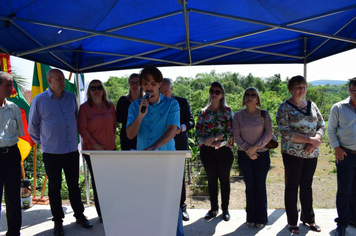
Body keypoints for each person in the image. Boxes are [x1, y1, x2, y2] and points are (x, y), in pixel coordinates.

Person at [28, 69, 92, 236]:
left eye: (63, 79)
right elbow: (32, 127)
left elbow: (76, 118)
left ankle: (79, 215)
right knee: (54, 188)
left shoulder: (70, 97)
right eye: (58, 79)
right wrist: (45, 143)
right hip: (52, 153)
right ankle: (58, 221)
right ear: (49, 81)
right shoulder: (39, 100)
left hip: (71, 150)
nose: (62, 82)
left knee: (73, 186)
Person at [126, 66, 184, 236]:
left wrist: (154, 147)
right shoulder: (135, 106)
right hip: (143, 162)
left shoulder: (172, 104)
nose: (149, 87)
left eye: (152, 83)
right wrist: (140, 116)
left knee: (171, 202)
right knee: (146, 201)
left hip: (167, 159)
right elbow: (130, 135)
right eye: (145, 83)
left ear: (159, 84)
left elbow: (173, 129)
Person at [276, 75, 325, 234]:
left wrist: (316, 139)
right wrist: (309, 140)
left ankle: (309, 219)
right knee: (292, 186)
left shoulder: (312, 105)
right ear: (290, 89)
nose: (301, 89)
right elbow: (285, 132)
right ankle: (292, 222)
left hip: (312, 153)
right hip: (292, 154)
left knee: (307, 186)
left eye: (303, 86)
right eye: (297, 86)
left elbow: (321, 124)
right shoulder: (284, 107)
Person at [233, 87, 272, 228]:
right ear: (244, 98)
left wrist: (255, 148)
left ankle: (261, 218)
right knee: (249, 186)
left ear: (257, 98)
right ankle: (250, 217)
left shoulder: (264, 114)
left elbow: (268, 134)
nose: (250, 97)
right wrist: (248, 150)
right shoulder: (238, 115)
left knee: (260, 186)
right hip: (244, 156)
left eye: (253, 95)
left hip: (262, 154)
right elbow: (236, 135)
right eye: (247, 95)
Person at [78, 79, 116, 222]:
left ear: (103, 90)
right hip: (93, 152)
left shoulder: (110, 105)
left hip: (110, 149)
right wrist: (95, 145)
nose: (96, 90)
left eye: (99, 87)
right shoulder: (84, 108)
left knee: (111, 181)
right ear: (89, 91)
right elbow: (82, 129)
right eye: (93, 88)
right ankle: (102, 214)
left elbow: (113, 127)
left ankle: (112, 209)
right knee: (98, 182)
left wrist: (110, 143)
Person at [195, 81, 234, 221]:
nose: (214, 94)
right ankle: (213, 209)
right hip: (207, 151)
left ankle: (225, 209)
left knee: (224, 180)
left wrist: (217, 139)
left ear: (222, 94)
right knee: (211, 180)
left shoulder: (227, 111)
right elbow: (197, 134)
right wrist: (210, 142)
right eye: (212, 91)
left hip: (224, 151)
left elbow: (232, 131)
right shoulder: (203, 112)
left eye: (218, 92)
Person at [160, 78, 195, 221]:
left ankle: (182, 208)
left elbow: (191, 121)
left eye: (166, 91)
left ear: (172, 89)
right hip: (161, 147)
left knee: (179, 178)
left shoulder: (182, 102)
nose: (163, 94)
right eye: (160, 91)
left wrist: (181, 128)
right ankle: (165, 208)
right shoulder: (156, 104)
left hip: (179, 145)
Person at [327, 77, 356, 236]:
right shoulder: (338, 108)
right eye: (353, 90)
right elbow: (330, 130)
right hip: (346, 155)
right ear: (349, 90)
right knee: (344, 191)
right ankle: (342, 224)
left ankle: (353, 218)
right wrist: (336, 148)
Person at [0, 72, 24, 236]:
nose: (12, 88)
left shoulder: (14, 108)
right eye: (8, 85)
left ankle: (14, 232)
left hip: (12, 154)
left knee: (13, 196)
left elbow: (20, 134)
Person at [116, 73, 143, 150]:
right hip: (126, 139)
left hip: (143, 137)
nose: (134, 85)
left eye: (137, 83)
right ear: (129, 84)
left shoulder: (146, 100)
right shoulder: (122, 100)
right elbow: (120, 120)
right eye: (132, 83)